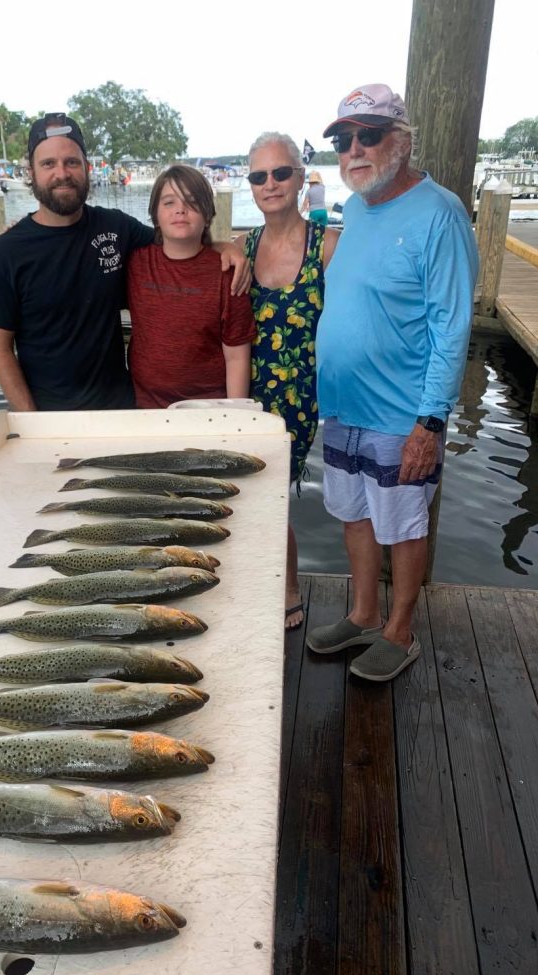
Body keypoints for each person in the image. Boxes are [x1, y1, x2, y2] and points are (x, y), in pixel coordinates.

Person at [305, 83, 478, 682]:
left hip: (400, 413)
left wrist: (430, 423)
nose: (353, 150)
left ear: (401, 141)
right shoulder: (354, 208)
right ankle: (362, 613)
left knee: (402, 524)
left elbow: (451, 327)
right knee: (353, 515)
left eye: (368, 136)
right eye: (343, 139)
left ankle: (400, 633)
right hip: (344, 407)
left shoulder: (441, 213)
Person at [0, 113, 249, 411]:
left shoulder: (116, 228)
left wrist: (223, 247)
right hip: (50, 414)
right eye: (48, 163)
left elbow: (176, 239)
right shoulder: (5, 253)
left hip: (124, 407)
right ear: (32, 171)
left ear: (86, 168)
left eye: (72, 162)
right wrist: (31, 422)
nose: (62, 173)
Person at [235, 133, 339, 630]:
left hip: (298, 398)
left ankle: (289, 585)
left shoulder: (328, 245)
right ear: (250, 186)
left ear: (301, 178)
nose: (270, 184)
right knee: (242, 491)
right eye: (259, 176)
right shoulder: (242, 247)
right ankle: (253, 580)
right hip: (244, 392)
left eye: (280, 173)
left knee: (273, 492)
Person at [126, 164, 256, 408]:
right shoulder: (135, 262)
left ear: (207, 215)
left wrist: (234, 414)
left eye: (192, 201)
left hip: (207, 409)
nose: (181, 210)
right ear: (155, 214)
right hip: (144, 407)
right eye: (169, 203)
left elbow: (237, 357)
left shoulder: (227, 273)